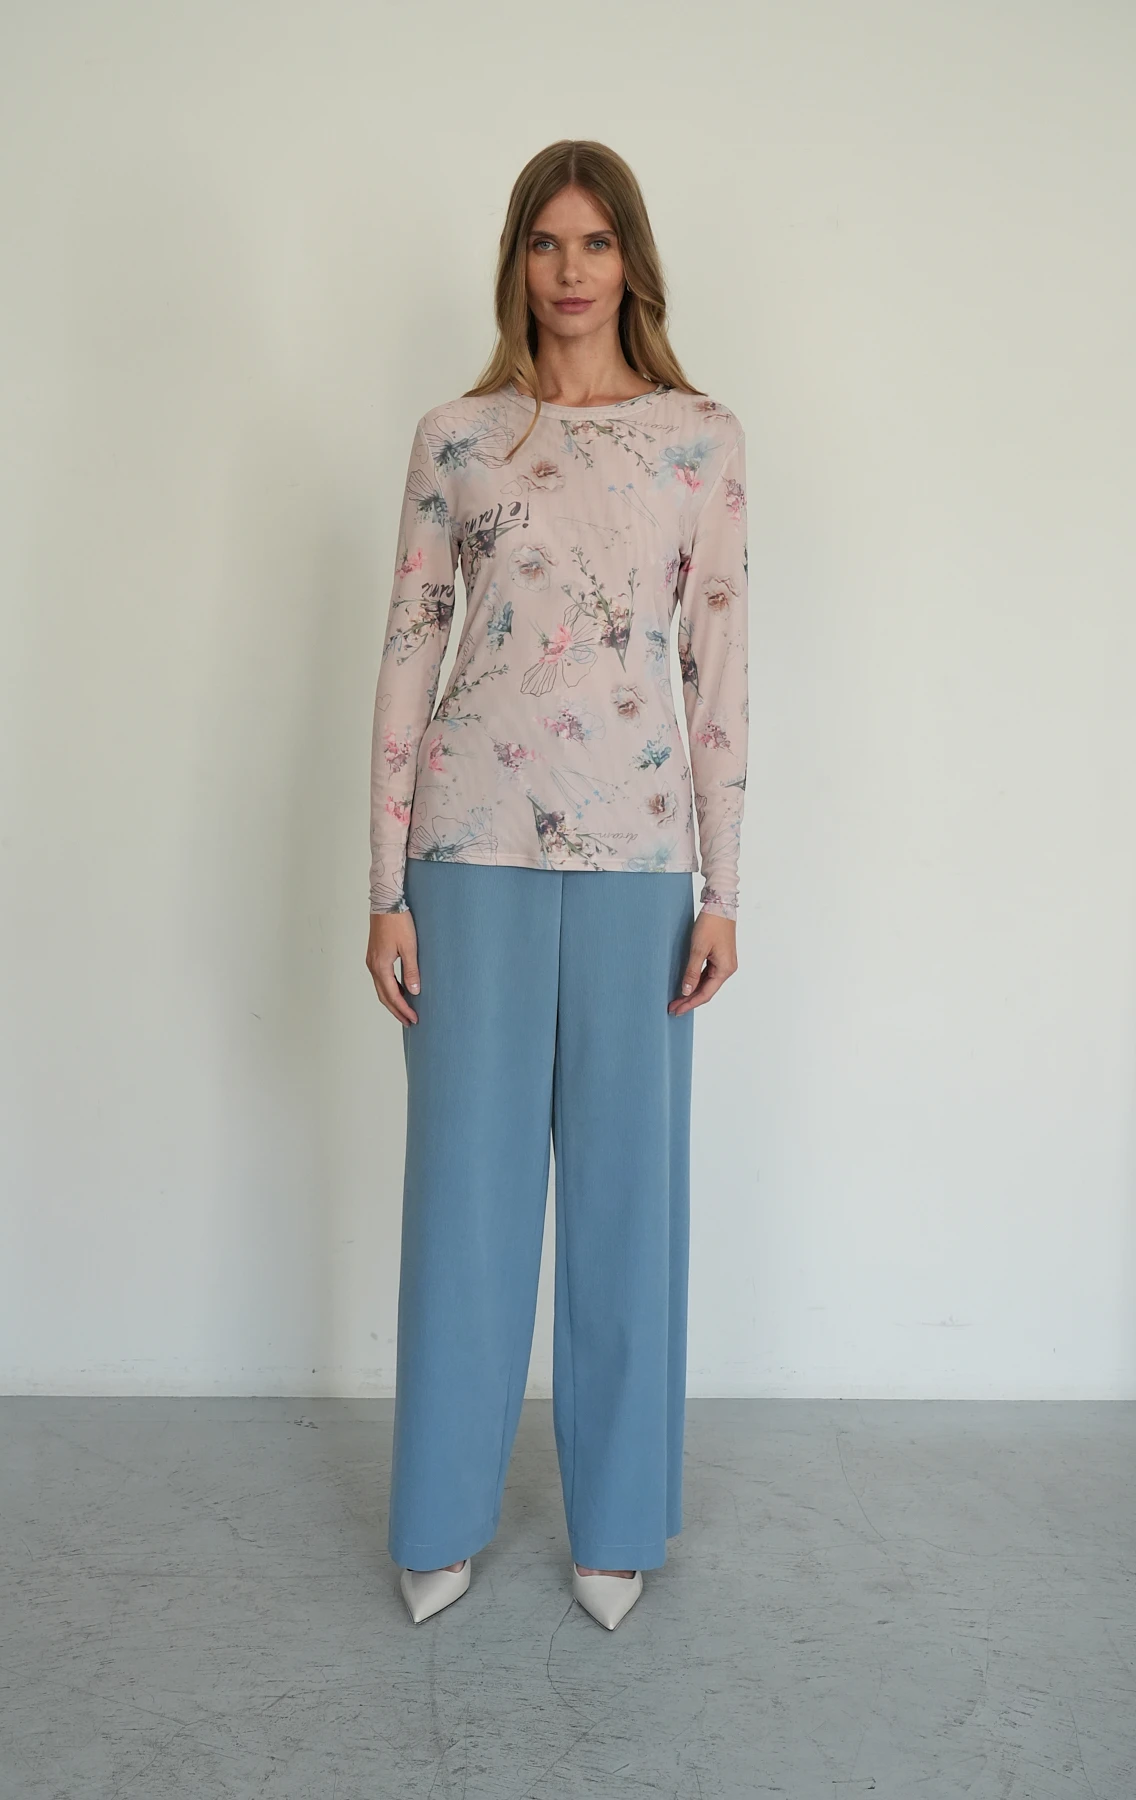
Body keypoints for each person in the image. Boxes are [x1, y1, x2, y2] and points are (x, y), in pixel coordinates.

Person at [365, 139, 748, 1632]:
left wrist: (724, 886)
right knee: (464, 1201)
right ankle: (439, 1513)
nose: (570, 270)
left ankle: (620, 1523)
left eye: (595, 242)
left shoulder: (699, 441)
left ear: (631, 261)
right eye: (545, 242)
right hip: (468, 855)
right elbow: (408, 656)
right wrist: (384, 885)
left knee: (627, 1200)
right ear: (516, 262)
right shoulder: (457, 438)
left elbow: (717, 667)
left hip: (642, 858)